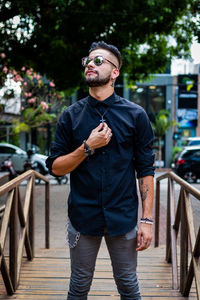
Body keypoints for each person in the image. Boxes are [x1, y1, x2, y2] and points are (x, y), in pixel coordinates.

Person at [46, 41, 155, 300]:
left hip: (123, 215)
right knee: (79, 286)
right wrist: (87, 147)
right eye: (88, 60)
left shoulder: (136, 115)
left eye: (98, 61)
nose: (90, 65)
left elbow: (146, 169)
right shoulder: (70, 116)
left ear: (115, 72)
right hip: (83, 217)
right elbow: (55, 168)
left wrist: (147, 220)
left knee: (128, 285)